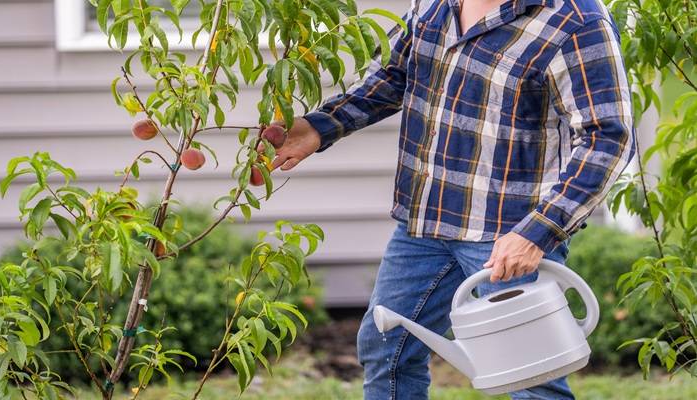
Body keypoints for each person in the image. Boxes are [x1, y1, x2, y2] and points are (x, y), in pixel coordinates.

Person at [269, 0, 634, 398]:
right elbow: (395, 75)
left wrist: (538, 232)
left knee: (531, 379)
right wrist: (320, 127)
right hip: (425, 221)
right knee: (386, 349)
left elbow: (608, 139)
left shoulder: (576, 21)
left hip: (509, 236)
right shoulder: (433, 3)